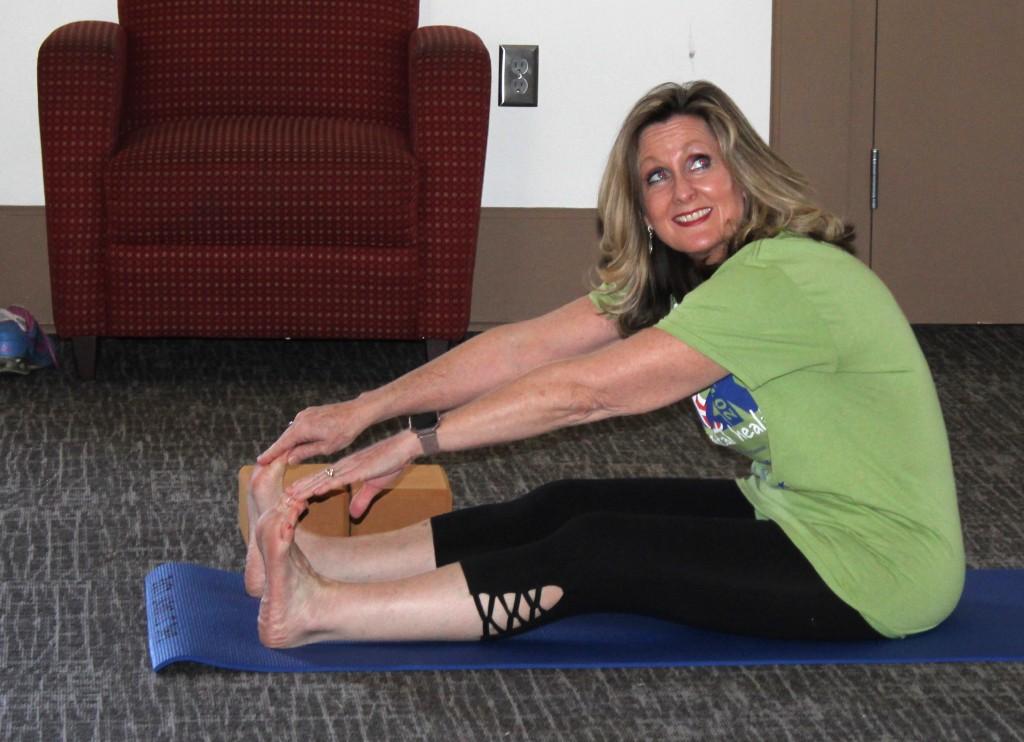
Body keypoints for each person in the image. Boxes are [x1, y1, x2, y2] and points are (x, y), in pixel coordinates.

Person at [246, 80, 964, 647]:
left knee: (598, 550)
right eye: (656, 177)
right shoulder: (690, 278)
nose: (682, 192)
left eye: (699, 163)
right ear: (641, 208)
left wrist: (416, 442)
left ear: (742, 173)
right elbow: (527, 346)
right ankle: (320, 563)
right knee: (567, 504)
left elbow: (585, 395)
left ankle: (324, 610)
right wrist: (365, 410)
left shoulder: (777, 279)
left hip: (877, 566)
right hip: (794, 511)